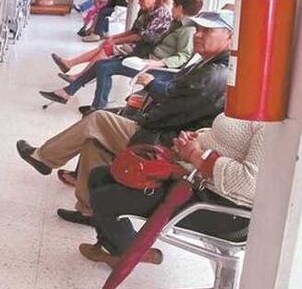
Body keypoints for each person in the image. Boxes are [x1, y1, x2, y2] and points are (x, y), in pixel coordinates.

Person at [16, 11, 234, 224]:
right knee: (94, 142)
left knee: (97, 119)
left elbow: (172, 114)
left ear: (229, 37)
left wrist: (139, 116)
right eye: (198, 29)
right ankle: (89, 210)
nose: (198, 34)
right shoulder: (207, 64)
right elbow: (175, 103)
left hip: (166, 143)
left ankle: (44, 158)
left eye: (207, 31)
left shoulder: (213, 74)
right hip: (163, 131)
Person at [81, 113, 262, 267]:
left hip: (217, 208)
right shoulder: (246, 104)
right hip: (191, 181)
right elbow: (225, 139)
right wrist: (193, 140)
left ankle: (127, 252)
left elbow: (248, 183)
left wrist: (195, 155)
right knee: (100, 176)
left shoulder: (269, 126)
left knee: (105, 199)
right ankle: (118, 249)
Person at [42, 0, 202, 110]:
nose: (171, 8)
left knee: (103, 67)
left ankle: (94, 106)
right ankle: (77, 96)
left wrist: (158, 63)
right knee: (101, 64)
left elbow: (183, 56)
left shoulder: (188, 30)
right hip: (145, 58)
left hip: (153, 67)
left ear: (180, 7)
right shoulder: (178, 24)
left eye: (174, 5)